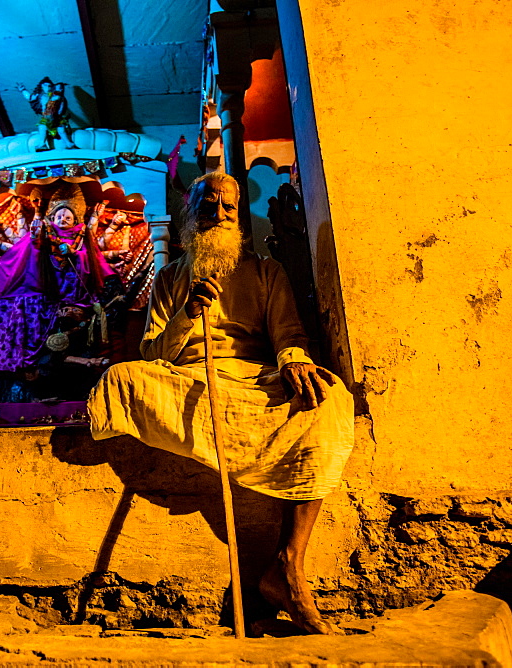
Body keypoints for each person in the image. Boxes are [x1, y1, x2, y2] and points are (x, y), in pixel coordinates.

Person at [88, 172, 354, 635]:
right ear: (192, 215)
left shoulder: (266, 271)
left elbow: (289, 336)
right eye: (208, 207)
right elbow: (152, 354)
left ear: (238, 218)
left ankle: (288, 565)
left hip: (254, 378)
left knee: (327, 399)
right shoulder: (169, 277)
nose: (219, 215)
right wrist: (188, 313)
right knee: (120, 378)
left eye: (228, 208)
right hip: (186, 377)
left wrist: (293, 361)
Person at [0, 183, 115, 401]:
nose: (63, 220)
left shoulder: (82, 240)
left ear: (76, 220)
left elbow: (91, 263)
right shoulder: (43, 235)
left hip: (72, 299)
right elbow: (23, 250)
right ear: (51, 218)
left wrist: (74, 253)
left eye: (68, 217)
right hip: (42, 297)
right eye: (59, 216)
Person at [17, 77, 76, 151]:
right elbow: (29, 97)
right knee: (42, 127)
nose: (47, 87)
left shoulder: (56, 96)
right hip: (46, 117)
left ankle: (69, 143)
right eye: (45, 85)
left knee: (61, 129)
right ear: (41, 86)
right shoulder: (39, 96)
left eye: (49, 86)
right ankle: (42, 144)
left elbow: (61, 106)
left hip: (56, 117)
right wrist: (23, 90)